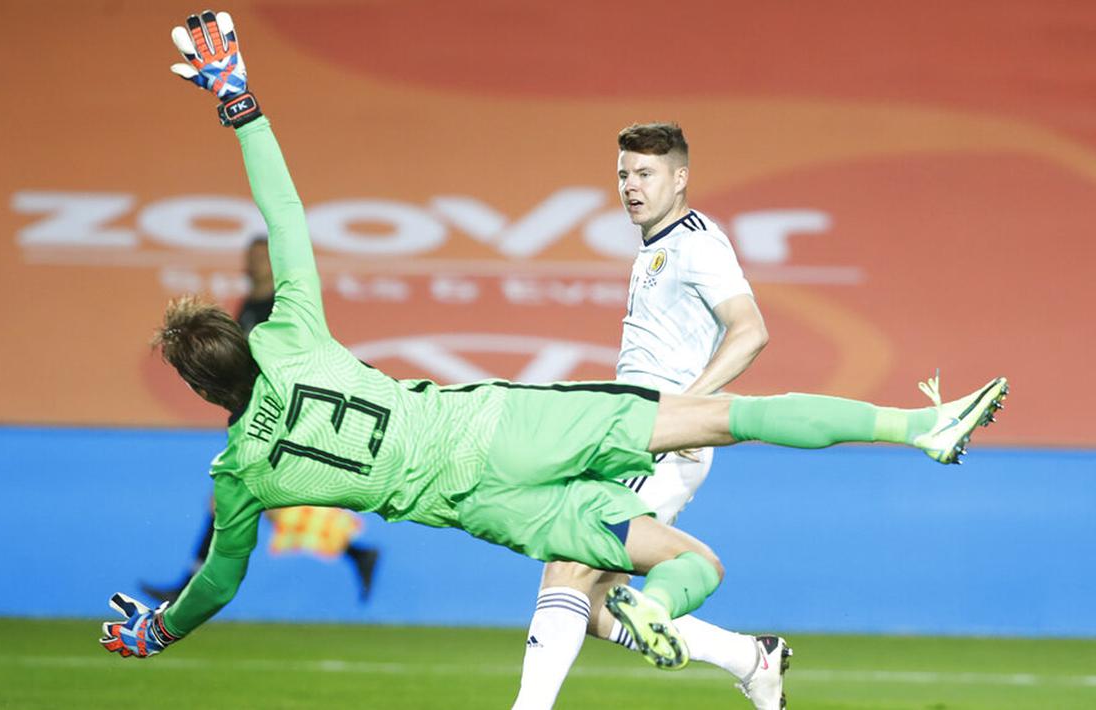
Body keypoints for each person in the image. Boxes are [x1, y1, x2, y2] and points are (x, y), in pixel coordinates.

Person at [100, 11, 1008, 670]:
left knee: (669, 562)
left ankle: (670, 615)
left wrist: (160, 631)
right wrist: (238, 103)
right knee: (727, 416)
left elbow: (219, 582)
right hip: (500, 427)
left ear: (201, 394)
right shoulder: (291, 336)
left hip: (477, 510)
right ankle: (911, 431)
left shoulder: (239, 476)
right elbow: (283, 211)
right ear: (243, 340)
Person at [511, 122, 785, 710]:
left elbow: (751, 331)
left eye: (646, 174)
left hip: (655, 435)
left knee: (570, 560)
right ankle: (751, 658)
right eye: (624, 175)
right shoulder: (656, 247)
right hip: (635, 430)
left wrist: (687, 410)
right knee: (595, 605)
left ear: (680, 177)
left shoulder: (696, 241)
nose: (631, 186)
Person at [141, 236, 380, 605]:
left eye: (259, 258)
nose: (251, 265)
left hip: (277, 419)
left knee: (232, 499)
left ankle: (190, 587)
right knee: (257, 504)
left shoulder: (279, 308)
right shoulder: (249, 305)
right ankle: (356, 552)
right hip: (255, 415)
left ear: (274, 262)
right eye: (248, 257)